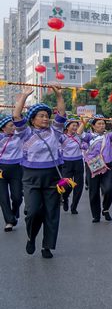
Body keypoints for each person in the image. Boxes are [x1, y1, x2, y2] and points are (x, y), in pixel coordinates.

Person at [12, 87, 67, 258]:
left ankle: (47, 246)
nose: (45, 118)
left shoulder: (55, 131)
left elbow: (62, 115)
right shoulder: (25, 133)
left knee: (52, 212)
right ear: (33, 119)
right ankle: (31, 237)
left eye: (46, 115)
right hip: (31, 177)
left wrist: (58, 95)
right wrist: (24, 98)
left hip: (52, 176)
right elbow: (16, 116)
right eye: (41, 116)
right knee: (33, 211)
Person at [80, 114, 112, 223]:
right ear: (93, 126)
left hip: (107, 166)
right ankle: (96, 215)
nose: (102, 125)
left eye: (103, 123)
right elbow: (79, 134)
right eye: (99, 123)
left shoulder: (108, 136)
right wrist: (84, 122)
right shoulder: (89, 136)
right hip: (93, 166)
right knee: (93, 192)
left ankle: (106, 208)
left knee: (109, 188)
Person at [0, 114, 24, 232]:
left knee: (17, 197)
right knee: (3, 197)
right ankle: (9, 221)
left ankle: (14, 213)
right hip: (1, 170)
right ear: (3, 128)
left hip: (16, 169)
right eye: (11, 126)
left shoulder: (20, 136)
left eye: (14, 125)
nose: (14, 127)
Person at [59, 118, 86, 214]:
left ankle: (74, 206)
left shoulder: (79, 136)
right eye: (73, 125)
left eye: (76, 125)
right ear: (67, 127)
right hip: (66, 163)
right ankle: (64, 197)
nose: (75, 127)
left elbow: (82, 129)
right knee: (66, 185)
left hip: (78, 162)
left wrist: (84, 121)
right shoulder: (62, 137)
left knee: (79, 186)